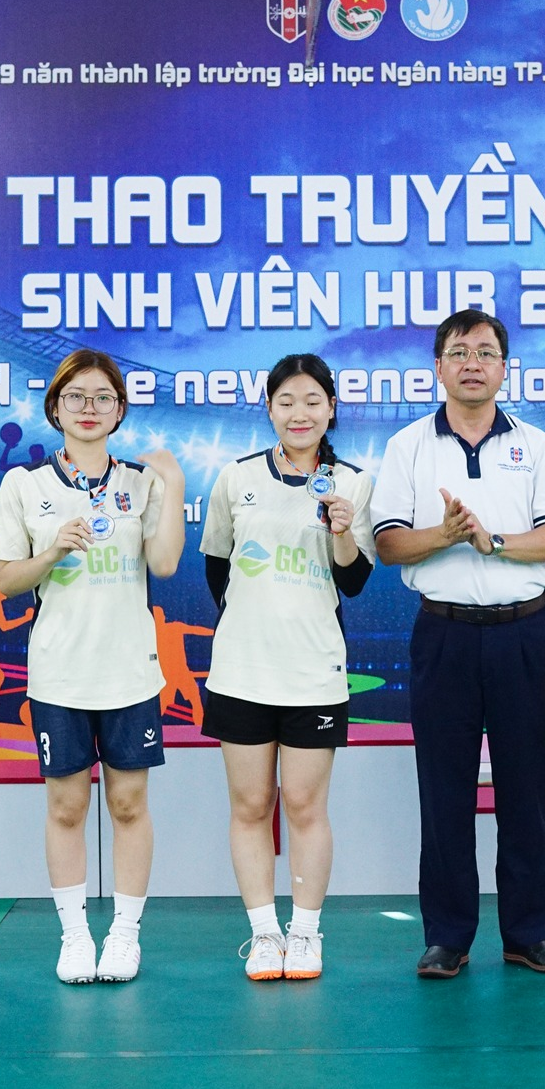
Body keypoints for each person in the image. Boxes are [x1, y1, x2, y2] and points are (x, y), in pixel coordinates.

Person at [371, 311, 545, 978]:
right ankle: (448, 936)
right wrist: (448, 534)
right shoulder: (408, 445)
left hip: (523, 635)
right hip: (444, 635)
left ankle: (528, 933)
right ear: (438, 367)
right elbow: (388, 542)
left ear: (504, 368)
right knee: (444, 792)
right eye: (459, 352)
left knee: (527, 791)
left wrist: (492, 541)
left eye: (486, 353)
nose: (472, 364)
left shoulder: (535, 444)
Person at [0, 349, 184, 984]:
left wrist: (173, 485)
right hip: (60, 674)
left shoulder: (140, 483)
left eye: (103, 397)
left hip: (129, 671)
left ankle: (125, 935)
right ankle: (75, 936)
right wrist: (52, 551)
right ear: (55, 407)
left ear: (119, 410)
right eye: (75, 396)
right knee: (67, 806)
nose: (89, 408)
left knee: (128, 804)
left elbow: (163, 565)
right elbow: (8, 581)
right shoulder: (25, 485)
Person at [201, 354, 375, 981]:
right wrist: (253, 622)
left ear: (331, 408)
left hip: (313, 672)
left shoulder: (352, 482)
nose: (299, 413)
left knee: (304, 805)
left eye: (312, 401)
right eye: (286, 402)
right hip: (241, 672)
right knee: (251, 805)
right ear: (269, 408)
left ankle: (304, 932)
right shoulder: (236, 477)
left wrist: (341, 530)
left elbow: (354, 581)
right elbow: (216, 568)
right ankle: (264, 933)